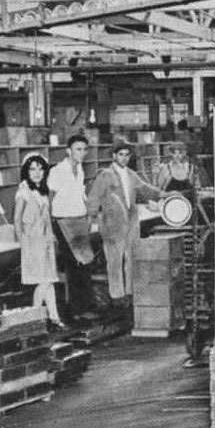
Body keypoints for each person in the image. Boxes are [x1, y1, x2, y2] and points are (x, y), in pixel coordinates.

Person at [86, 140, 164, 307]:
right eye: (121, 154)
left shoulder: (131, 174)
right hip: (112, 224)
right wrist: (91, 218)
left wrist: (165, 194)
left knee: (131, 259)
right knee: (114, 261)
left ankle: (130, 292)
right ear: (114, 156)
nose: (124, 158)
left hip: (131, 222)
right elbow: (93, 198)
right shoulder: (105, 175)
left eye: (127, 155)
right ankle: (116, 295)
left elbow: (146, 188)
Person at [14, 153, 64, 329]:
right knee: (44, 282)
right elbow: (17, 219)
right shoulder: (24, 192)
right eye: (32, 169)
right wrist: (23, 243)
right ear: (26, 171)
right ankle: (34, 318)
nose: (37, 172)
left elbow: (46, 218)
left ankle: (54, 317)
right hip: (32, 242)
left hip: (45, 241)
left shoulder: (42, 191)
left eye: (40, 168)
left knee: (49, 281)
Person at [49, 134, 95, 321]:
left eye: (84, 149)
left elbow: (80, 194)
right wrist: (50, 227)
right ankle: (77, 311)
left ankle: (85, 306)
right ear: (68, 150)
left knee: (84, 263)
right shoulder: (58, 171)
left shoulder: (80, 169)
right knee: (74, 266)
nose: (82, 153)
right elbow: (50, 198)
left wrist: (88, 214)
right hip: (63, 222)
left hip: (79, 221)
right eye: (78, 149)